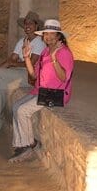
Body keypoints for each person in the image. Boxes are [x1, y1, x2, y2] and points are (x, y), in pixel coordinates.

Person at [0, 11, 46, 138]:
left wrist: (6, 67)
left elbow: (31, 64)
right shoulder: (22, 41)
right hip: (18, 72)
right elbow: (11, 59)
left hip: (30, 75)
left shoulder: (39, 42)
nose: (27, 25)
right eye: (26, 23)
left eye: (31, 23)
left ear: (36, 26)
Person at [9, 19, 74, 163]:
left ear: (58, 36)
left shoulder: (64, 53)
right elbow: (34, 75)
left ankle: (26, 147)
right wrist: (26, 57)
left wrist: (54, 58)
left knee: (23, 111)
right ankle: (26, 144)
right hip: (42, 90)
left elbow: (63, 77)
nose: (48, 37)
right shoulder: (45, 51)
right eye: (46, 34)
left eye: (52, 34)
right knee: (16, 106)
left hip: (55, 94)